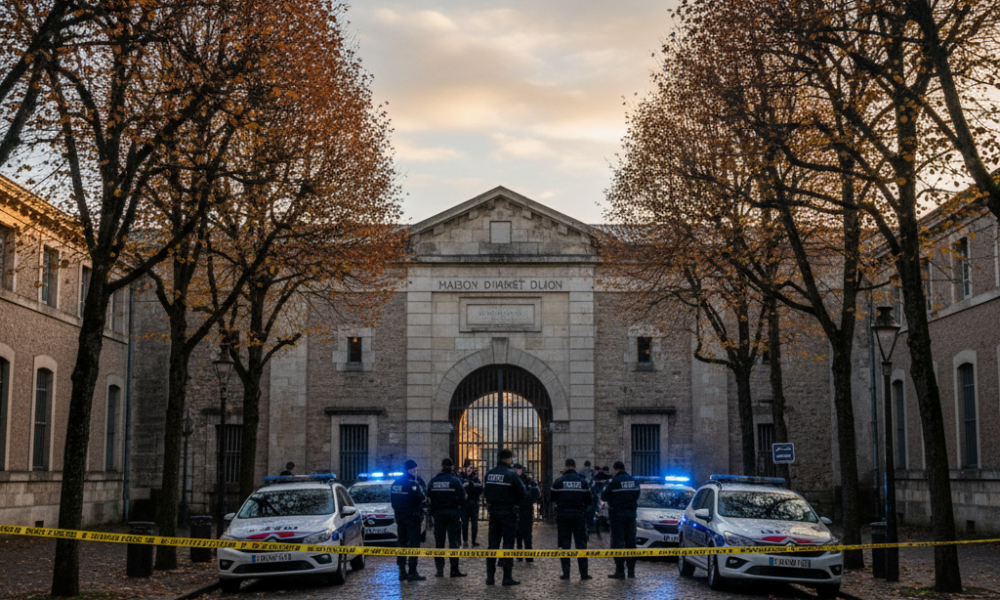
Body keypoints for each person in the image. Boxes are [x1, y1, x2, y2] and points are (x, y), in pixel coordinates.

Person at [483, 449, 525, 586]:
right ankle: (507, 577)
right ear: (508, 459)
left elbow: (486, 492)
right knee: (508, 544)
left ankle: (490, 577)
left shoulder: (489, 474)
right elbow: (523, 493)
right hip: (508, 512)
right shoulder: (511, 475)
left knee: (492, 545)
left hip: (493, 512)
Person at [551, 458, 592, 581]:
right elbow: (589, 500)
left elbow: (552, 498)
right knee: (581, 545)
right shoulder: (583, 482)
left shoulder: (559, 481)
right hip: (579, 516)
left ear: (566, 466)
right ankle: (584, 574)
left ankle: (566, 573)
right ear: (574, 466)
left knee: (564, 545)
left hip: (563, 516)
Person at [427, 458, 468, 578]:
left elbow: (428, 495)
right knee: (453, 542)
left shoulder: (433, 481)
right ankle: (454, 570)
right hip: (452, 514)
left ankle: (439, 571)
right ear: (451, 467)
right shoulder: (455, 481)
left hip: (438, 514)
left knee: (439, 543)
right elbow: (463, 498)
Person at [601, 460, 641, 579]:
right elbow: (637, 495)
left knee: (617, 543)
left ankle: (620, 571)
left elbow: (604, 496)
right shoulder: (634, 480)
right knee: (631, 542)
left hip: (617, 516)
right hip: (631, 515)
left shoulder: (614, 481)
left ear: (616, 469)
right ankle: (631, 571)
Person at [391, 460, 427, 582]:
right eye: (415, 470)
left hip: (400, 518)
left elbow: (393, 502)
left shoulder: (395, 483)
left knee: (402, 543)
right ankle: (412, 572)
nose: (416, 472)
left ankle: (402, 572)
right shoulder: (413, 483)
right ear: (411, 469)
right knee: (414, 544)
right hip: (412, 518)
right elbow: (422, 497)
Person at [512, 463, 541, 562]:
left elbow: (536, 494)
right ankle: (520, 555)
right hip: (518, 510)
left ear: (521, 470)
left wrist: (528, 498)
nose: (515, 472)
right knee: (519, 534)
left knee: (527, 534)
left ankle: (528, 556)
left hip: (526, 510)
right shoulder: (514, 481)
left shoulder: (529, 482)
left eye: (516, 470)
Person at [460, 460, 482, 547]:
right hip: (465, 504)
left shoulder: (475, 478)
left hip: (474, 502)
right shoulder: (461, 477)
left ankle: (473, 540)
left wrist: (472, 487)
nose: (469, 469)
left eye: (471, 468)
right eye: (467, 467)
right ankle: (465, 540)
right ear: (464, 468)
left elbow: (480, 489)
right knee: (464, 523)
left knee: (474, 523)